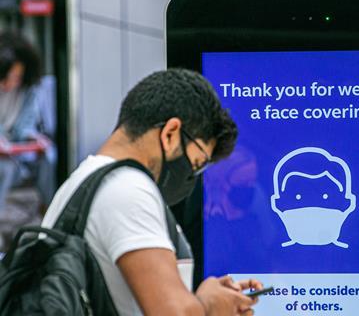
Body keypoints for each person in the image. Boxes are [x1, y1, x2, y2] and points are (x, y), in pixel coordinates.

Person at [42, 69, 262, 315]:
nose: (190, 178)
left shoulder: (87, 179)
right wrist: (209, 306)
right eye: (197, 164)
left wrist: (202, 299)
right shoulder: (127, 189)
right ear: (170, 134)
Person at [0, 31, 56, 214]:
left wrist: (34, 137)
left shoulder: (27, 92)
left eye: (15, 77)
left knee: (48, 156)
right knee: (5, 169)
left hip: (15, 150)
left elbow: (25, 126)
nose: (8, 84)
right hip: (5, 158)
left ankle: (49, 211)